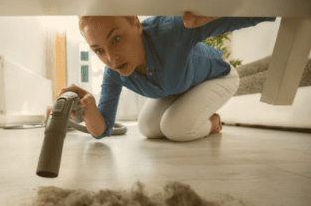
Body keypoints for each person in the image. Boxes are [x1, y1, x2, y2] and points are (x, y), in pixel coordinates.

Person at [59, 12, 276, 141]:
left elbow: (236, 17)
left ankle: (213, 123)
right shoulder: (113, 73)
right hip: (181, 89)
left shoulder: (170, 30)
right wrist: (88, 104)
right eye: (98, 50)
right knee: (147, 128)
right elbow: (101, 131)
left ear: (135, 23)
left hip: (219, 76)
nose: (111, 58)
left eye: (116, 39)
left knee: (176, 128)